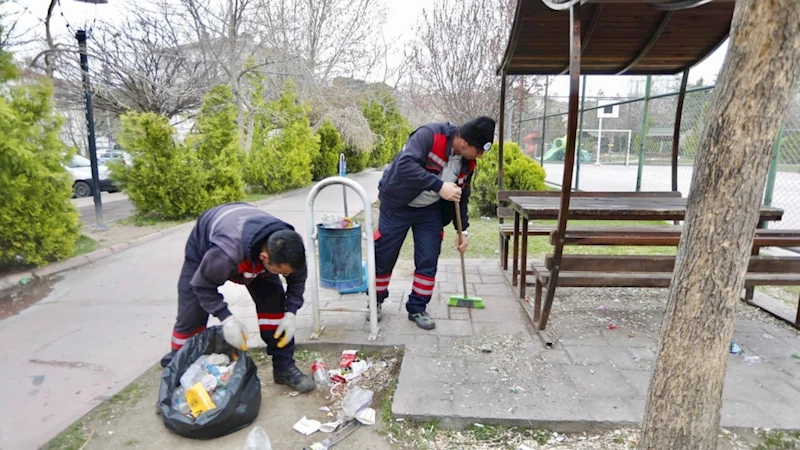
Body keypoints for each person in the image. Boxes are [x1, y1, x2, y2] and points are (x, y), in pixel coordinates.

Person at [160, 202, 314, 393]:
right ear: (265, 257)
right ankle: (177, 371)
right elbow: (202, 286)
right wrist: (227, 318)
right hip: (207, 246)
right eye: (281, 272)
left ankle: (284, 368)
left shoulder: (291, 249)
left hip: (252, 247)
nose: (286, 276)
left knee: (275, 309)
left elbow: (297, 281)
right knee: (190, 316)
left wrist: (290, 313)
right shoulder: (224, 253)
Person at [373, 116, 496, 330]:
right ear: (464, 142)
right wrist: (439, 185)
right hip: (396, 204)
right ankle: (375, 300)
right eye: (478, 151)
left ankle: (417, 307)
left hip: (428, 210)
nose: (480, 157)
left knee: (428, 257)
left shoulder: (468, 163)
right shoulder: (429, 135)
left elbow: (462, 196)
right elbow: (405, 165)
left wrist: (462, 231)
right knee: (384, 255)